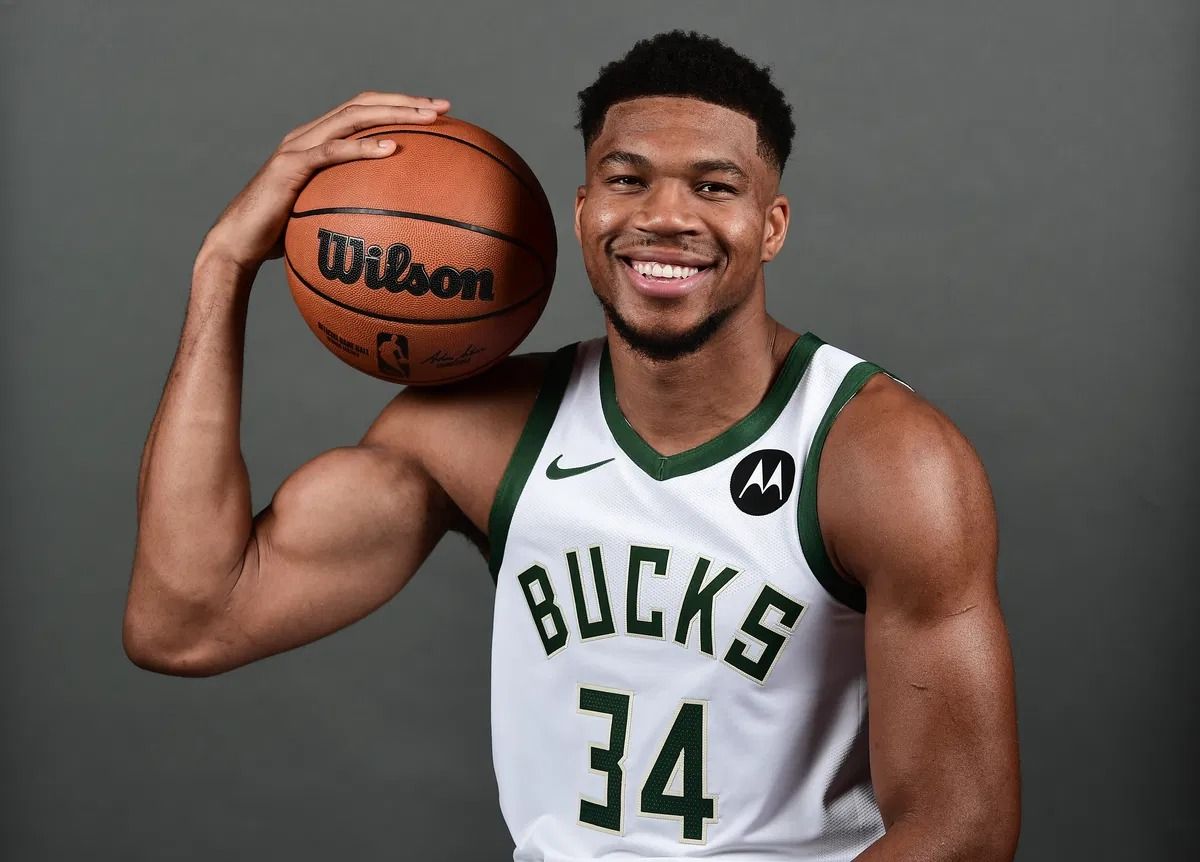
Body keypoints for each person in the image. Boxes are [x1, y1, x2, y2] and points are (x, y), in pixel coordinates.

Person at [124, 30, 1020, 861]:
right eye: (628, 180)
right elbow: (187, 622)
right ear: (584, 208)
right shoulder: (480, 435)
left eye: (713, 187)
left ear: (772, 224)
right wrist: (223, 266)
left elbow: (964, 829)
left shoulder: (880, 458)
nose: (665, 216)